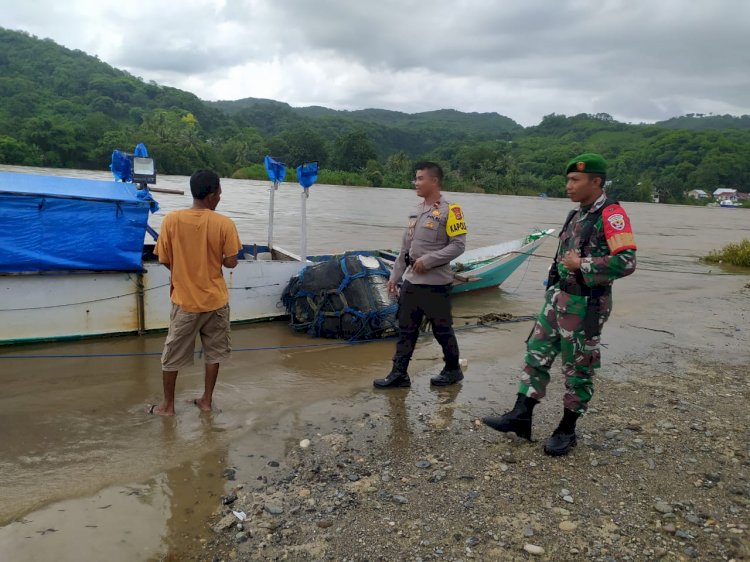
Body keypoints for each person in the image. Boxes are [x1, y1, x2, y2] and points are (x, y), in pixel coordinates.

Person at [483, 153, 636, 455]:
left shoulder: (611, 214)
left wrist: (584, 264)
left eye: (575, 180)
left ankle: (567, 429)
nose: (568, 185)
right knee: (535, 354)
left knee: (578, 367)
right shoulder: (575, 214)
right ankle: (520, 416)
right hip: (557, 298)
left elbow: (627, 261)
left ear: (596, 181)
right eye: (567, 179)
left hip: (586, 304)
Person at [147, 169, 242, 416]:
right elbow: (231, 262)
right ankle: (206, 402)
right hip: (216, 302)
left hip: (185, 302)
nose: (220, 196)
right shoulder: (225, 224)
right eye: (219, 192)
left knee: (171, 355)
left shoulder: (171, 220)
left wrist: (183, 272)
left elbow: (165, 260)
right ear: (211, 195)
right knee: (214, 353)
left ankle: (167, 407)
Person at [373, 161, 468, 389]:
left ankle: (453, 369)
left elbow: (458, 246)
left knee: (442, 330)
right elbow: (405, 250)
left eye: (420, 178)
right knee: (406, 329)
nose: (416, 183)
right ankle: (399, 374)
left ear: (434, 181)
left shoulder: (451, 210)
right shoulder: (415, 211)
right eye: (415, 178)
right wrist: (395, 277)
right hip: (412, 283)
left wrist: (429, 260)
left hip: (436, 284)